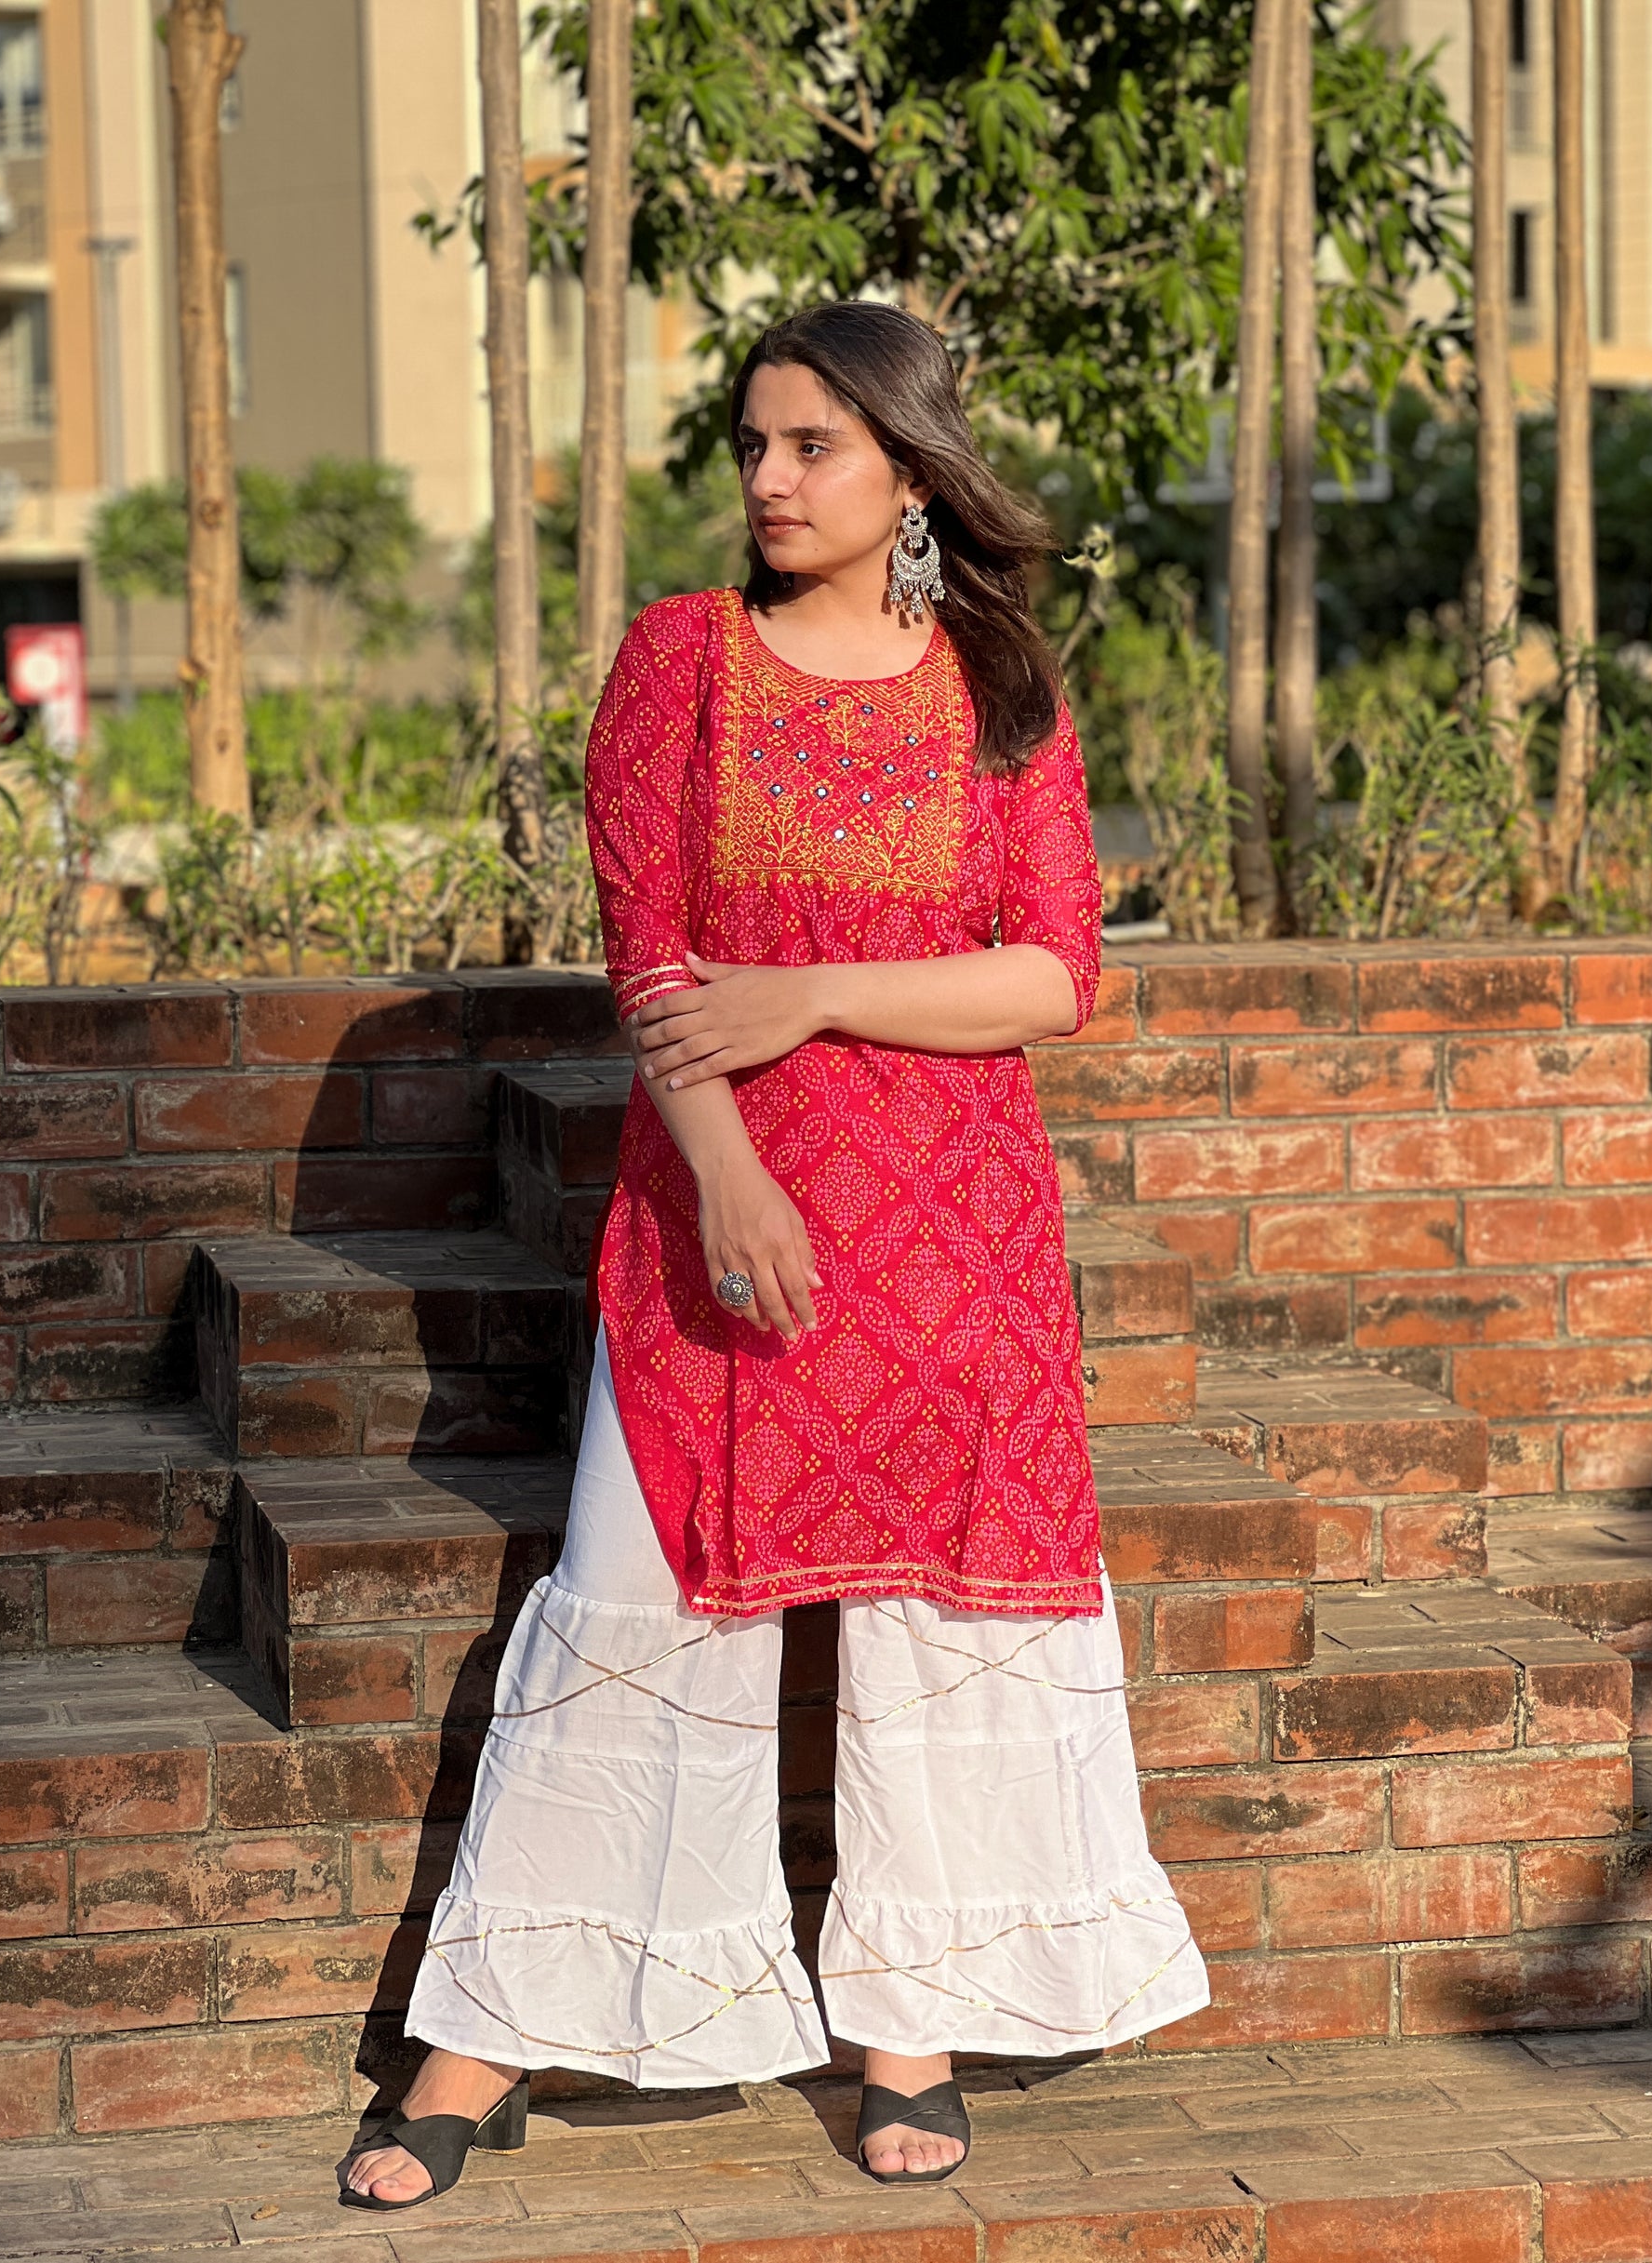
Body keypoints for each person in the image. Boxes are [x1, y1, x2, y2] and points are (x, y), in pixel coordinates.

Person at [338, 300, 1207, 2211]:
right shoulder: (687, 661)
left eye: (812, 444)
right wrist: (725, 1177)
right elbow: (649, 952)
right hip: (722, 1213)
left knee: (944, 1628)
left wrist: (811, 987)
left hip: (956, 1230)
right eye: (753, 443)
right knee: (640, 1597)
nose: (770, 478)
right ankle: (485, 2034)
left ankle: (914, 2024)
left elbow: (1053, 975)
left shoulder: (998, 683)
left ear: (911, 467)